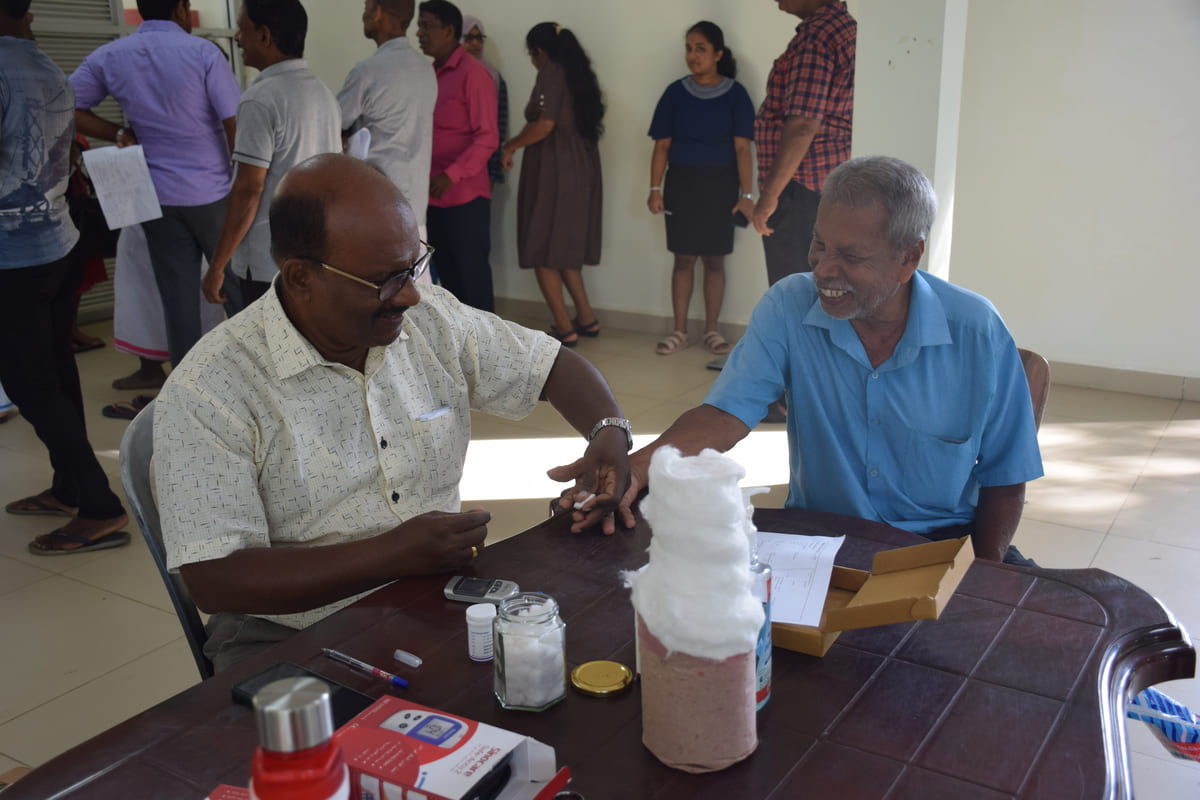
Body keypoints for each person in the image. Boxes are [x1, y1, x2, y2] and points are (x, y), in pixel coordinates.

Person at [153, 154, 633, 670]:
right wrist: (392, 555)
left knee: (582, 658)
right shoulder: (212, 387)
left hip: (437, 593)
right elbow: (214, 579)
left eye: (412, 267)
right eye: (383, 279)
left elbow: (550, 365)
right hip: (285, 631)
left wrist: (608, 434)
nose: (409, 295)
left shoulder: (431, 319)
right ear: (301, 277)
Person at [615, 157, 1043, 565]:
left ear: (909, 257)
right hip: (820, 541)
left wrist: (982, 577)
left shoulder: (976, 331)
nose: (823, 269)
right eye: (819, 244)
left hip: (942, 544)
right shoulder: (788, 306)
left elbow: (1006, 478)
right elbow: (725, 415)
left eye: (851, 257)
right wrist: (636, 468)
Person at [0, 0, 129, 554]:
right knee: (56, 371)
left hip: (13, 256)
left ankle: (99, 505)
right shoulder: (45, 65)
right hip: (56, 244)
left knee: (29, 382)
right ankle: (69, 486)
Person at [70, 0, 243, 366]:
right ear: (181, 8)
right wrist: (244, 186)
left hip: (156, 197)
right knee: (236, 289)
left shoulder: (110, 56)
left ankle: (187, 389)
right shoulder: (203, 53)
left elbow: (68, 106)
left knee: (177, 303)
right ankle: (259, 379)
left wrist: (117, 132)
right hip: (213, 194)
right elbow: (234, 125)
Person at [203, 0, 342, 311]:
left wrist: (217, 266)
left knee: (271, 339)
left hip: (269, 261)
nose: (237, 38)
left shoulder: (260, 99)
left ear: (265, 36)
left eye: (242, 29)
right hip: (315, 252)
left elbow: (249, 189)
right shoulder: (323, 93)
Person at [647, 21, 755, 357]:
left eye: (701, 49)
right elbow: (662, 145)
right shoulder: (675, 93)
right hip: (681, 184)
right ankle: (679, 331)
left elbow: (742, 149)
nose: (693, 55)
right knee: (682, 259)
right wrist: (654, 188)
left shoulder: (736, 95)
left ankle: (712, 330)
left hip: (722, 186)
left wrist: (747, 196)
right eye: (689, 48)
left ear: (718, 54)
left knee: (714, 260)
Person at [502, 22, 603, 348]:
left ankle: (564, 327)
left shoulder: (551, 71)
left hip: (555, 171)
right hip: (580, 170)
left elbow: (544, 124)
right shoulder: (576, 74)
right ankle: (586, 318)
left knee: (543, 249)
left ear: (539, 51)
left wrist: (510, 146)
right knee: (563, 251)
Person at [752, 0, 855, 287]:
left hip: (799, 190)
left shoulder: (816, 36)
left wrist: (769, 196)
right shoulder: (846, 28)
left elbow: (803, 124)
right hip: (830, 185)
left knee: (794, 291)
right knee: (826, 287)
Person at [416, 0, 498, 312]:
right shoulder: (428, 74)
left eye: (427, 26)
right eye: (419, 26)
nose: (419, 33)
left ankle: (485, 342)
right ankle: (459, 341)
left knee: (472, 282)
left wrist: (451, 175)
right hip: (432, 197)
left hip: (464, 197)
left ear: (450, 31)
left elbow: (487, 137)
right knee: (448, 283)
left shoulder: (474, 74)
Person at [338, 0, 437, 240]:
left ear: (378, 13)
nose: (363, 16)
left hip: (377, 211)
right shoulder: (426, 70)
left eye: (366, 8)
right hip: (416, 213)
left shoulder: (368, 71)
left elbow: (331, 124)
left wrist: (343, 135)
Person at [460, 14, 507, 187]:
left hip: (482, 162)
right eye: (469, 38)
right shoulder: (445, 75)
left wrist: (493, 171)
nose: (475, 43)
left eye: (479, 38)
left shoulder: (494, 78)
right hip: (449, 161)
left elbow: (499, 125)